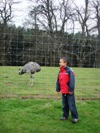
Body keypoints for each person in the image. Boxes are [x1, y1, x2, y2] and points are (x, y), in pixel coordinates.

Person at [56, 57, 78, 123]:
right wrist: (58, 89)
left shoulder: (69, 71)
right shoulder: (60, 71)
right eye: (59, 62)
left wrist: (71, 90)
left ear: (65, 63)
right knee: (64, 105)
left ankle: (75, 117)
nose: (59, 63)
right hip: (63, 91)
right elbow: (58, 81)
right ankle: (65, 116)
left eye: (61, 62)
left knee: (71, 105)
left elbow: (72, 81)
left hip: (69, 92)